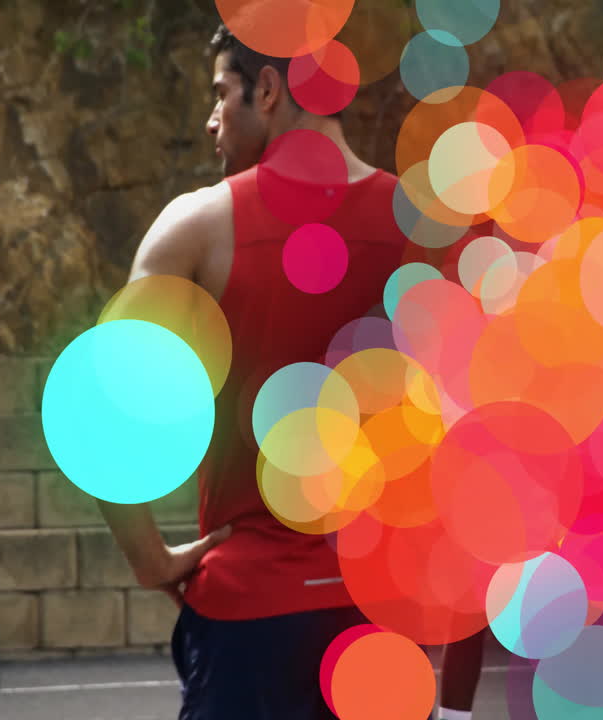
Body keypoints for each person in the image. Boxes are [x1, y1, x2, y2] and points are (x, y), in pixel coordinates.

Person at [97, 23, 481, 720]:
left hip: (249, 621)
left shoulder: (195, 228)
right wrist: (455, 698)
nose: (212, 120)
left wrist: (150, 560)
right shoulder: (425, 232)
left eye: (222, 94)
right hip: (380, 623)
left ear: (268, 90)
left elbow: (102, 414)